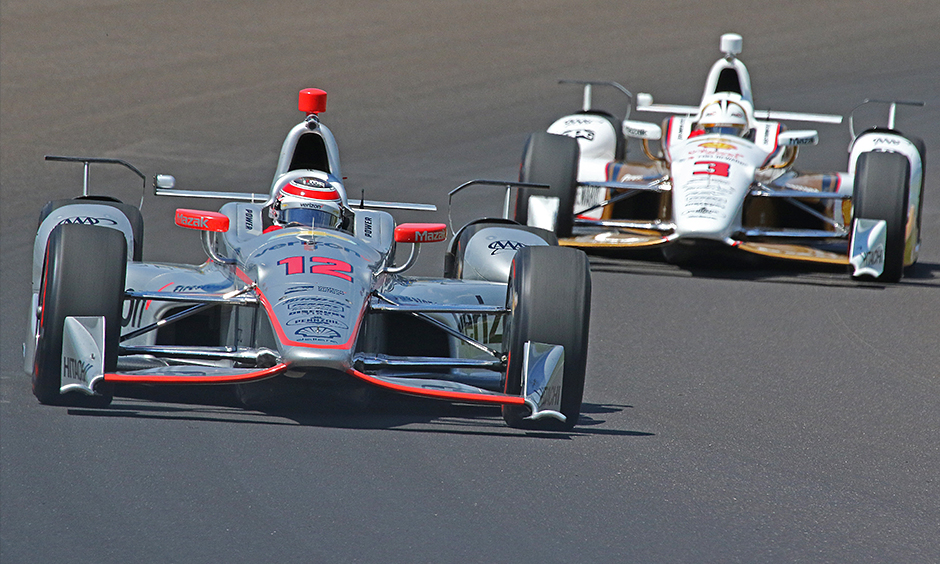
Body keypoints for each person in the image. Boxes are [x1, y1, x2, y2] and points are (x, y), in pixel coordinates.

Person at [267, 175, 345, 230]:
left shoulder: (342, 246)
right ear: (275, 213)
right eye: (298, 216)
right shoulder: (269, 236)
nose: (307, 231)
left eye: (318, 218)